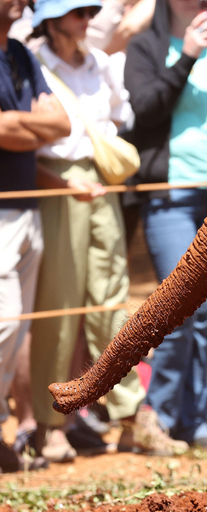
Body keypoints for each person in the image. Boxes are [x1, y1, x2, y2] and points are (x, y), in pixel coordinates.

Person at [28, 0, 189, 462]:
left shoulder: (99, 62)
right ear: (51, 20)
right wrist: (63, 179)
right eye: (78, 12)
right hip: (56, 181)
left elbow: (122, 117)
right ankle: (49, 422)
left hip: (102, 184)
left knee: (112, 299)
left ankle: (131, 414)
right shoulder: (34, 61)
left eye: (89, 12)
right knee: (58, 304)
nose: (87, 21)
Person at [123, 0, 207, 448]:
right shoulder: (146, 46)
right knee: (181, 308)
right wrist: (186, 54)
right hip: (171, 196)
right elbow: (145, 110)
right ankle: (154, 417)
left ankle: (192, 421)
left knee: (206, 312)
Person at [0, 0, 70, 473]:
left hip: (29, 207)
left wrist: (16, 125)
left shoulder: (20, 54)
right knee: (3, 322)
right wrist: (33, 125)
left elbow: (62, 125)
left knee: (19, 324)